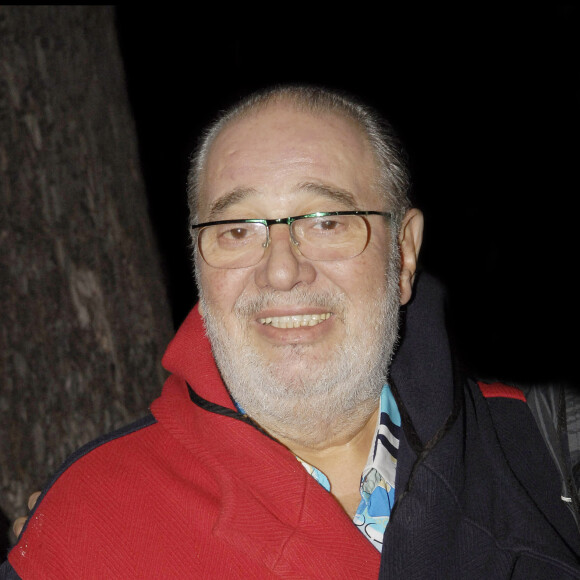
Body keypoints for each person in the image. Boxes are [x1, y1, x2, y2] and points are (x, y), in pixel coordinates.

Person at [2, 84, 579, 579]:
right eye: (236, 230)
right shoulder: (90, 524)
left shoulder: (540, 453)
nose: (281, 270)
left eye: (327, 221)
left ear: (402, 255)